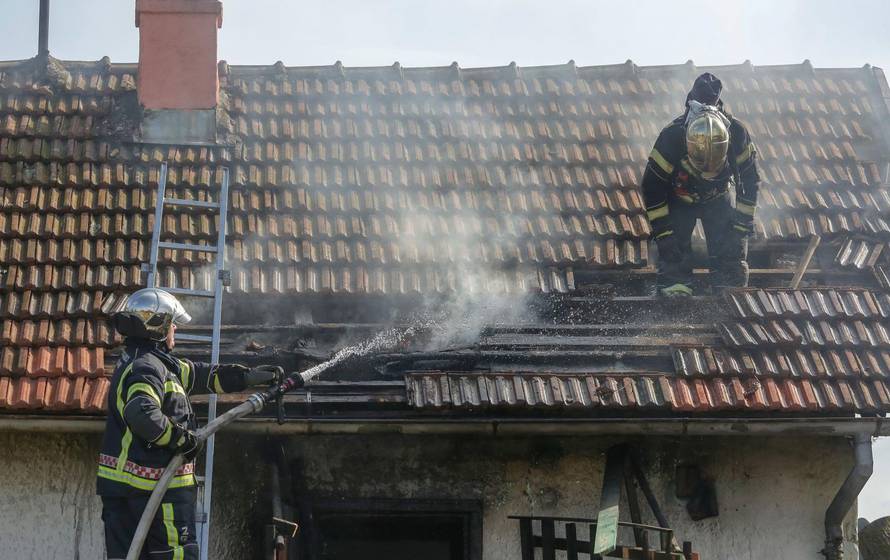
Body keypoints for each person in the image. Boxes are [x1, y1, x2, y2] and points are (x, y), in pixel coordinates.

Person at [97, 288, 282, 559]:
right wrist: (183, 439)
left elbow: (201, 376)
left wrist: (249, 377)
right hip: (157, 493)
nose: (175, 329)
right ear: (157, 327)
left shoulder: (150, 362)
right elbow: (142, 413)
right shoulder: (145, 368)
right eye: (172, 323)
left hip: (134, 494)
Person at [641, 72, 761, 296]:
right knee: (673, 255)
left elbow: (750, 182)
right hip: (679, 197)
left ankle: (729, 300)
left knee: (730, 256)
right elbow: (652, 187)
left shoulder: (737, 133)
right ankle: (674, 302)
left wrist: (741, 228)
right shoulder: (671, 136)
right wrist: (663, 233)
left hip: (719, 196)